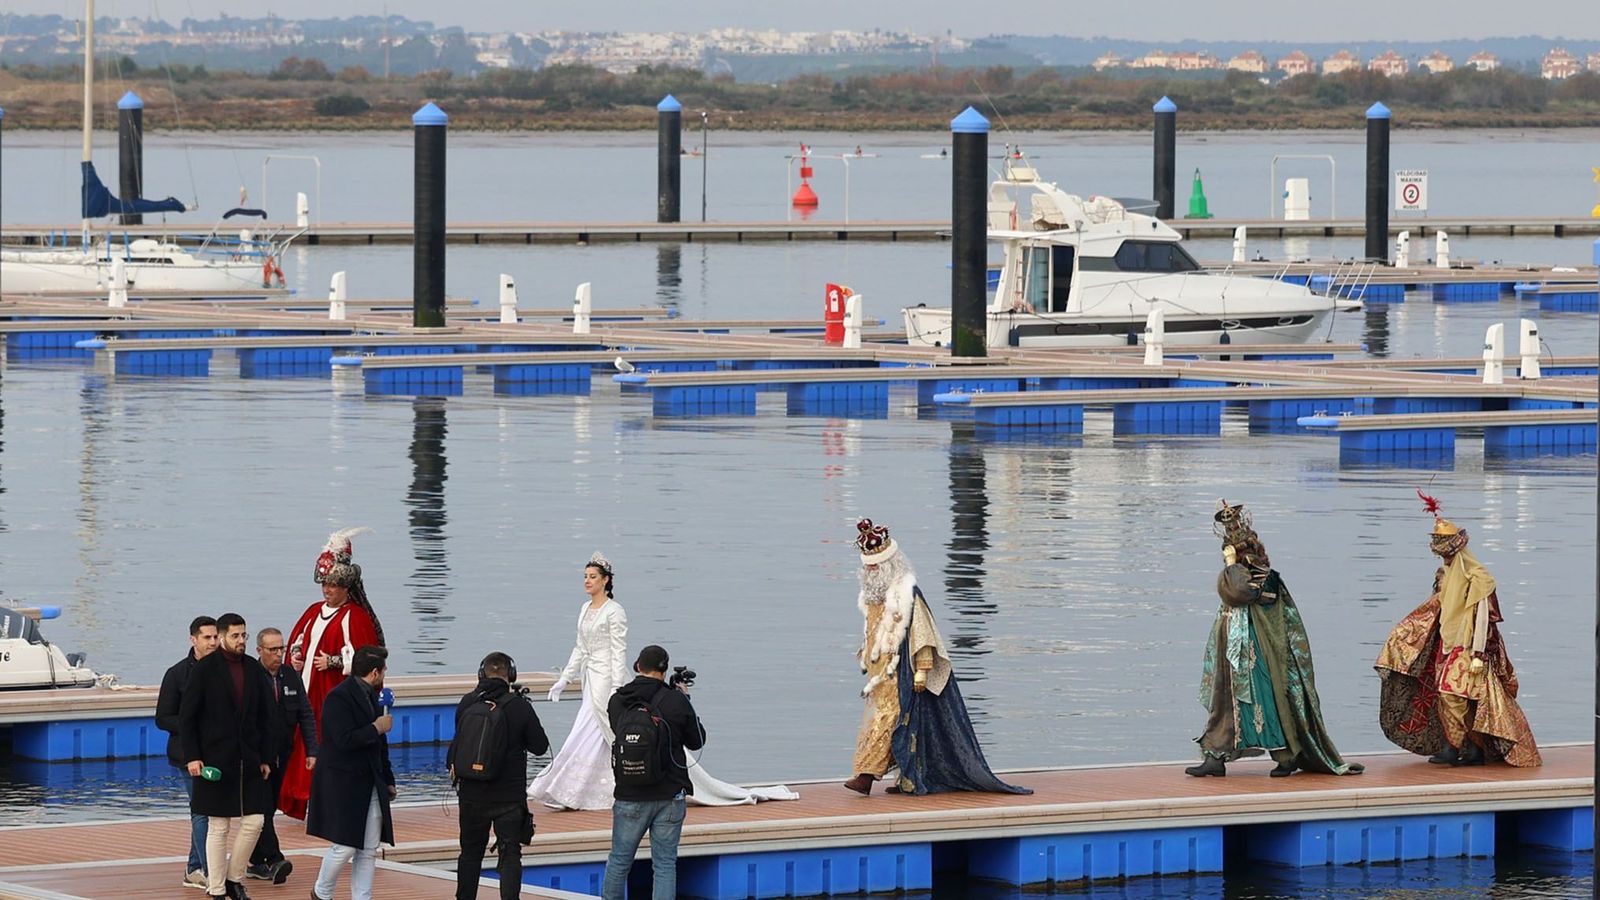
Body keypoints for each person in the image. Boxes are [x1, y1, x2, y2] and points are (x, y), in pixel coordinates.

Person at [846, 520, 1030, 796]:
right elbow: (873, 630)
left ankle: (866, 776)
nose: (871, 570)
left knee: (889, 722)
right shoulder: (872, 596)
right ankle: (906, 776)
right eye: (868, 565)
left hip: (902, 673)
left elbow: (922, 632)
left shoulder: (908, 595)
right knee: (897, 725)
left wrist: (922, 668)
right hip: (880, 674)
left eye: (876, 565)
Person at [1187, 501, 1364, 778]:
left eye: (1236, 547)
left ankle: (1286, 755)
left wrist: (1231, 564)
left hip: (1257, 654)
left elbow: (1238, 592)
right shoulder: (1239, 575)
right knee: (1224, 700)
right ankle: (1215, 756)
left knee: (1266, 700)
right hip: (1232, 650)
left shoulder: (1265, 578)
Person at [1375, 492, 1541, 767]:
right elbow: (1437, 610)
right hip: (1448, 644)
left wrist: (1477, 653)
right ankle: (1468, 749)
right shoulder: (1448, 575)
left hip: (1468, 648)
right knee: (1452, 697)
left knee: (1453, 695)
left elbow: (1482, 618)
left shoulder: (1477, 579)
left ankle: (1457, 748)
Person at [283, 528, 384, 820]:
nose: (327, 590)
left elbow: (367, 658)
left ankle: (325, 799)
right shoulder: (314, 610)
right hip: (307, 692)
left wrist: (337, 661)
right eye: (325, 584)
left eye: (334, 585)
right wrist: (296, 656)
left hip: (332, 696)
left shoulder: (356, 616)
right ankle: (302, 796)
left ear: (346, 587)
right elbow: (298, 641)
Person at [179, 612, 276, 900]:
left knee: (255, 821)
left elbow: (267, 716)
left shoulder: (252, 668)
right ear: (222, 637)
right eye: (235, 635)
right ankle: (217, 888)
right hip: (214, 760)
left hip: (248, 760)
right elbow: (188, 718)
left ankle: (234, 877)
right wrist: (193, 757)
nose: (241, 640)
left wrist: (266, 758)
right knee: (218, 826)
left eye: (244, 635)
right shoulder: (205, 669)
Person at [600, 645, 705, 900]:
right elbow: (697, 740)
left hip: (629, 794)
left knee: (618, 862)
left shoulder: (617, 700)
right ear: (665, 670)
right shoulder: (675, 700)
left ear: (637, 667)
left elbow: (619, 732)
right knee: (665, 865)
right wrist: (684, 699)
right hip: (669, 795)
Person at [528, 552, 629, 811]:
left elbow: (619, 651)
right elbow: (580, 648)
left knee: (600, 729)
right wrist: (565, 678)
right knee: (587, 730)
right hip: (590, 677)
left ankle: (591, 787)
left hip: (607, 678)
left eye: (593, 577)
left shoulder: (614, 611)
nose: (587, 581)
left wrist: (618, 686)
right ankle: (583, 789)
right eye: (585, 576)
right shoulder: (585, 608)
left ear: (605, 580)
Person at [447, 652, 550, 900]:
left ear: (481, 673)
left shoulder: (467, 702)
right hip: (509, 798)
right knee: (510, 854)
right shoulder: (519, 707)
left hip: (471, 795)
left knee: (470, 854)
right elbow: (540, 746)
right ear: (510, 675)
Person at [307, 645, 396, 900]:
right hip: (343, 782)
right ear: (376, 672)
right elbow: (342, 739)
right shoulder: (339, 697)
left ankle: (362, 897)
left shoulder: (375, 698)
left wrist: (388, 780)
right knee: (345, 845)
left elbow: (381, 747)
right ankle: (322, 891)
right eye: (384, 670)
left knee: (368, 848)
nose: (385, 675)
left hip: (371, 781)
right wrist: (375, 728)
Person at [247, 627, 317, 885]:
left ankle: (255, 861)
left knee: (269, 807)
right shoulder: (250, 675)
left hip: (282, 755)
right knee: (262, 807)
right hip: (257, 757)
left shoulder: (290, 675)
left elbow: (305, 714)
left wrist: (312, 751)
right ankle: (275, 858)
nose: (279, 654)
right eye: (273, 649)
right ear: (259, 651)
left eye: (282, 649)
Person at [157, 615, 219, 891]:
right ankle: (209, 869)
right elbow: (162, 718)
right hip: (187, 754)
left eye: (216, 636)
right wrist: (192, 724)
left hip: (219, 751)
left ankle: (194, 867)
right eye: (207, 637)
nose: (213, 642)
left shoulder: (224, 671)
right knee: (202, 810)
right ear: (193, 639)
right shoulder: (177, 673)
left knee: (211, 810)